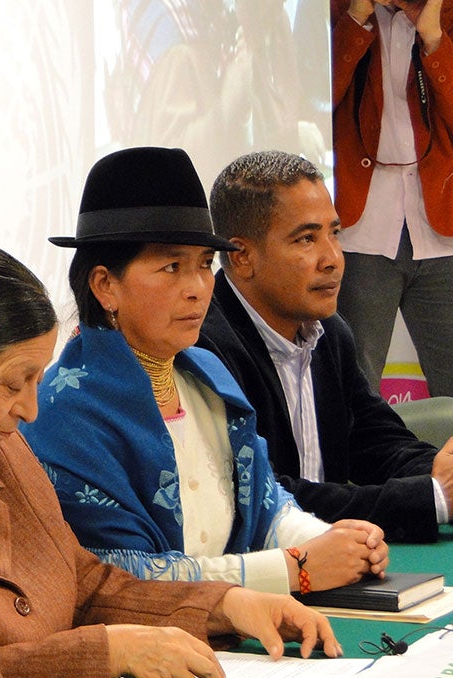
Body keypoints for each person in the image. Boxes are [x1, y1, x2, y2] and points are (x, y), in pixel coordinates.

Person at [0, 240, 343, 678]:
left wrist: (226, 605)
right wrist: (108, 651)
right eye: (14, 384)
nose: (30, 410)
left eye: (37, 381)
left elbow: (82, 582)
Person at [22, 147, 389, 598]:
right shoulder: (64, 411)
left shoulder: (206, 375)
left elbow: (267, 503)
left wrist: (331, 541)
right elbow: (128, 578)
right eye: (172, 267)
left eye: (203, 265)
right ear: (105, 286)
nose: (197, 289)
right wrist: (297, 568)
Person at [199, 149, 453, 544]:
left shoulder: (330, 331)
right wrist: (436, 498)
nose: (333, 259)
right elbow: (268, 495)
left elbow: (376, 443)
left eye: (335, 233)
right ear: (242, 257)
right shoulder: (206, 347)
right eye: (307, 238)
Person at [331, 0, 453, 408]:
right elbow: (314, 99)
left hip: (445, 228)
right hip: (361, 229)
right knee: (356, 388)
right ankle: (357, 475)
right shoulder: (337, 13)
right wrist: (356, 20)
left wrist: (433, 38)